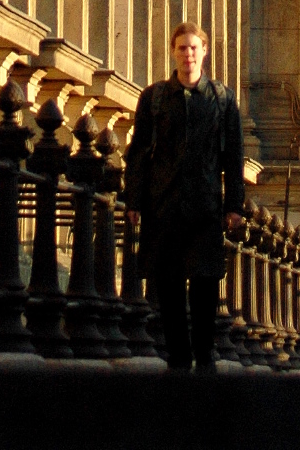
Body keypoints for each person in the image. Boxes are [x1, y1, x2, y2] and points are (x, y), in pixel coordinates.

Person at [125, 21, 245, 372]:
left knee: (205, 283)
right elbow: (139, 151)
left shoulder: (222, 99)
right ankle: (178, 357)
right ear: (173, 52)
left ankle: (205, 355)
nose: (188, 54)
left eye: (193, 48)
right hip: (164, 204)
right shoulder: (155, 97)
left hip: (205, 205)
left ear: (204, 51)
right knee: (169, 284)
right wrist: (133, 199)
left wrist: (234, 205)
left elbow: (233, 155)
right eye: (182, 48)